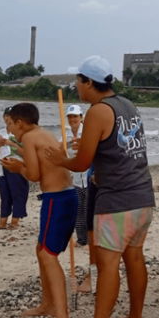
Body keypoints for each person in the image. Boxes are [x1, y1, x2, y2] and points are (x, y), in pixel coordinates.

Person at [46, 55, 156, 318]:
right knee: (134, 257)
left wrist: (61, 159)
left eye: (78, 81)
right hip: (143, 195)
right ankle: (135, 317)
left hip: (118, 200)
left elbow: (81, 164)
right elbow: (118, 147)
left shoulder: (97, 111)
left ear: (88, 83)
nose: (75, 86)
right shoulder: (127, 105)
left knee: (108, 266)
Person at [0, 103, 78, 318]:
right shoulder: (43, 134)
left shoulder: (32, 137)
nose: (10, 131)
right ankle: (48, 303)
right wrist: (21, 157)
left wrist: (18, 167)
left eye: (10, 125)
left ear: (20, 123)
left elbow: (33, 174)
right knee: (41, 249)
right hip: (65, 196)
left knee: (47, 254)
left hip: (57, 199)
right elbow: (43, 161)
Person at [0, 106, 29, 230]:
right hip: (2, 168)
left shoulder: (21, 132)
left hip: (16, 166)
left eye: (11, 116)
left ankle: (14, 222)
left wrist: (11, 143)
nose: (8, 118)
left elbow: (26, 152)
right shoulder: (0, 132)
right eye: (6, 115)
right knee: (5, 195)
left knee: (18, 194)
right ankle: (2, 222)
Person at [65, 104, 89, 247]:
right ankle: (82, 240)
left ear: (81, 117)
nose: (72, 119)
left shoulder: (87, 132)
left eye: (75, 116)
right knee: (78, 210)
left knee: (88, 211)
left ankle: (91, 240)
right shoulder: (66, 133)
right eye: (70, 117)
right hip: (76, 178)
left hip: (89, 176)